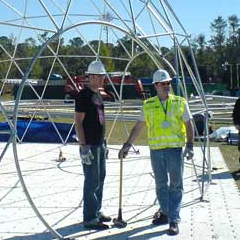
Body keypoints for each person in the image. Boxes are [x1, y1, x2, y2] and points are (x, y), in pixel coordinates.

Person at [119, 69, 194, 236]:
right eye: (163, 84)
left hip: (174, 150)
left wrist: (190, 145)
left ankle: (173, 219)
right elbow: (139, 126)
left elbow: (189, 124)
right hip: (156, 151)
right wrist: (127, 145)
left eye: (168, 83)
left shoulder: (180, 102)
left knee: (176, 185)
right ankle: (166, 212)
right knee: (161, 184)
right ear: (156, 86)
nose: (167, 86)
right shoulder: (148, 105)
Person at [74, 60, 111, 230]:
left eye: (103, 76)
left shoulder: (97, 95)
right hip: (90, 144)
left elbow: (100, 120)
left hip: (100, 143)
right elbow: (78, 122)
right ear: (92, 76)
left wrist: (105, 142)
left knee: (100, 178)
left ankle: (96, 210)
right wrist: (83, 146)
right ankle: (89, 218)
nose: (103, 79)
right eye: (100, 76)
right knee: (91, 180)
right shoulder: (83, 96)